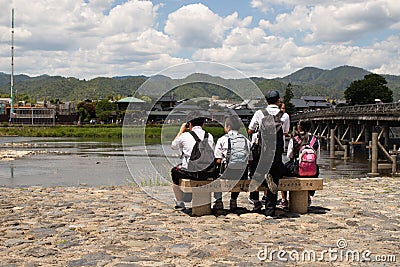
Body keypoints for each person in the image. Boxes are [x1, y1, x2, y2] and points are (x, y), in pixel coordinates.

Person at [248, 90, 284, 216]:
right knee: (275, 179)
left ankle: (256, 198)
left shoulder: (260, 113)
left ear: (266, 101)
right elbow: (285, 132)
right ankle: (270, 211)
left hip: (262, 153)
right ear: (278, 100)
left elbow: (250, 129)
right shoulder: (284, 115)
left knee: (254, 171)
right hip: (276, 153)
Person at [170, 115, 214, 210]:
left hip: (190, 173)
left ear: (189, 124)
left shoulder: (185, 135)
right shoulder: (209, 136)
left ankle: (179, 202)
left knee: (174, 172)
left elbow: (173, 146)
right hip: (207, 172)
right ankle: (188, 195)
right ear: (203, 124)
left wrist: (181, 130)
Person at [213, 115, 252, 210]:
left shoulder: (222, 139)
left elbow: (218, 159)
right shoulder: (246, 140)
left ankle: (218, 201)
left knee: (215, 176)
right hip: (242, 173)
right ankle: (233, 200)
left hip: (227, 172)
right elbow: (250, 159)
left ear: (228, 127)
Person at [283, 119, 320, 206]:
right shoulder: (315, 140)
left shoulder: (294, 139)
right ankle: (308, 196)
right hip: (313, 172)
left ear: (299, 127)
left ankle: (284, 199)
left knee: (282, 171)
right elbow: (317, 157)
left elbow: (289, 155)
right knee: (314, 169)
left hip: (297, 170)